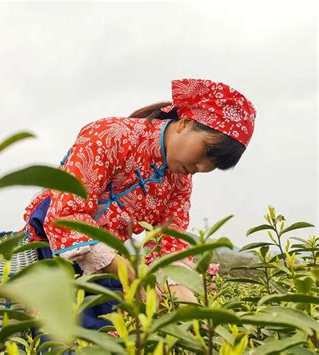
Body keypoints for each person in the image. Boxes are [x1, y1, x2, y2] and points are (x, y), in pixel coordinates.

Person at [20, 78, 256, 330]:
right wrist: (134, 273)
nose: (203, 167)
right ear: (185, 124)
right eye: (207, 153)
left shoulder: (179, 182)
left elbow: (169, 248)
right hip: (49, 245)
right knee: (54, 333)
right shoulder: (110, 135)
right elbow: (66, 214)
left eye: (214, 165)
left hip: (107, 261)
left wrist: (192, 309)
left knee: (111, 331)